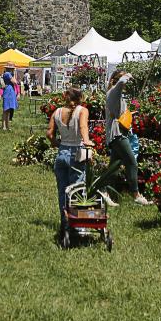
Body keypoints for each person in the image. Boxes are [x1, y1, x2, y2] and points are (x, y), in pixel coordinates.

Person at [46, 87, 90, 234]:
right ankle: (78, 226)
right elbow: (83, 126)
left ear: (65, 96)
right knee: (77, 189)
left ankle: (65, 223)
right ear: (80, 98)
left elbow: (49, 133)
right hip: (77, 153)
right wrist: (87, 140)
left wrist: (57, 144)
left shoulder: (57, 112)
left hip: (61, 154)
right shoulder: (82, 111)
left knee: (63, 191)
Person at [103, 71, 152, 205]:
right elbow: (121, 82)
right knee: (132, 162)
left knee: (114, 165)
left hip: (119, 133)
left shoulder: (114, 94)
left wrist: (129, 113)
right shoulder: (114, 91)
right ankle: (136, 194)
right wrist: (128, 74)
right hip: (117, 134)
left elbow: (119, 111)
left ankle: (105, 192)